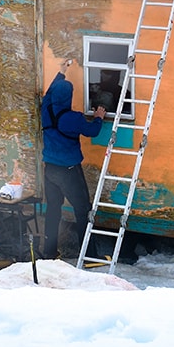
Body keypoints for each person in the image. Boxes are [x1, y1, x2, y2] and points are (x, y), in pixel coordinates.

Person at [40, 59, 106, 259]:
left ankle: (49, 252)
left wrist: (61, 73)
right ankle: (89, 255)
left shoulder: (46, 109)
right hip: (68, 170)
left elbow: (50, 93)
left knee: (53, 210)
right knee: (83, 209)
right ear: (69, 96)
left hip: (49, 169)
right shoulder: (73, 118)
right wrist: (99, 116)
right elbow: (93, 131)